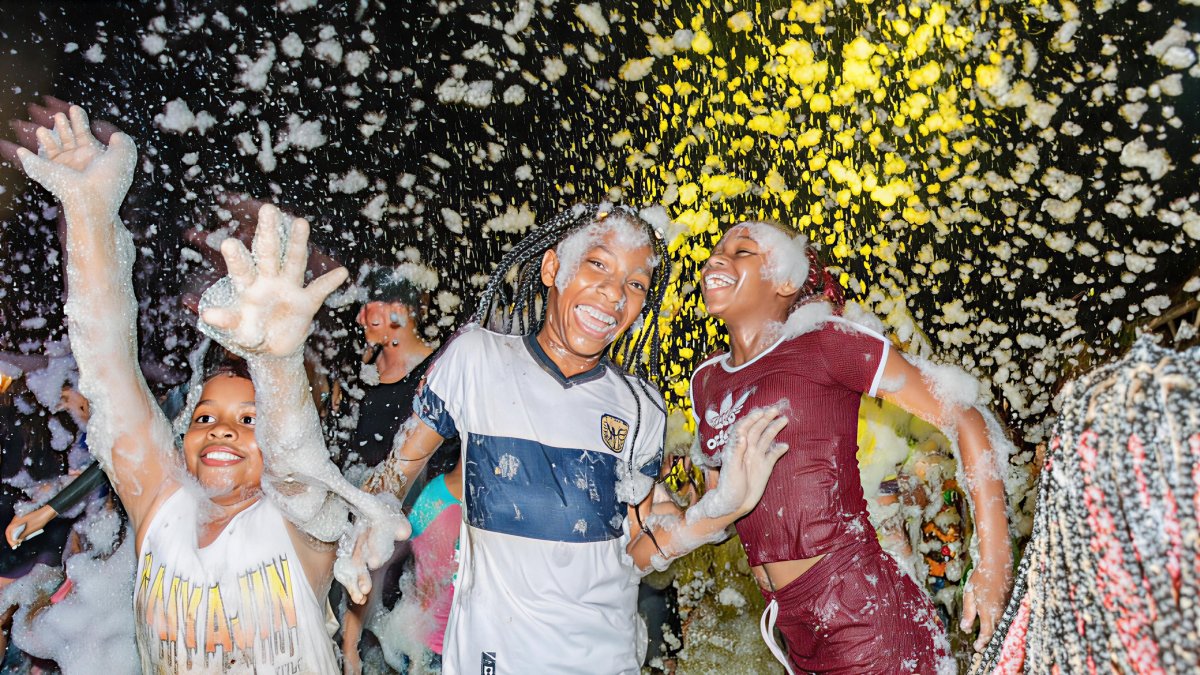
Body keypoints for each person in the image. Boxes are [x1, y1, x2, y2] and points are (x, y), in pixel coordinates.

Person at [9, 104, 404, 672]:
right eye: (204, 417)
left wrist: (277, 364)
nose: (221, 427)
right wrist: (90, 212)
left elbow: (295, 458)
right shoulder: (161, 514)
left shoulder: (300, 528)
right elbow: (108, 369)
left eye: (249, 421)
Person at [363, 205, 791, 674]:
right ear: (552, 268)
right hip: (493, 659)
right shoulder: (476, 360)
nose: (613, 293)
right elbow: (392, 476)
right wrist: (366, 527)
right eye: (598, 265)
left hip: (606, 659)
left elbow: (642, 541)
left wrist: (719, 511)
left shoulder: (639, 405)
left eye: (635, 284)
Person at [686, 220, 1013, 674]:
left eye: (743, 251)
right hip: (793, 627)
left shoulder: (826, 343)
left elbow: (963, 414)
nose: (717, 258)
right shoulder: (706, 381)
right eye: (716, 249)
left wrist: (994, 561)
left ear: (786, 280)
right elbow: (722, 510)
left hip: (864, 615)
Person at [341, 266, 438, 675]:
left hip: (417, 547)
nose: (361, 318)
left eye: (369, 309)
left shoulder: (437, 376)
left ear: (399, 311)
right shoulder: (361, 378)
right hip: (360, 553)